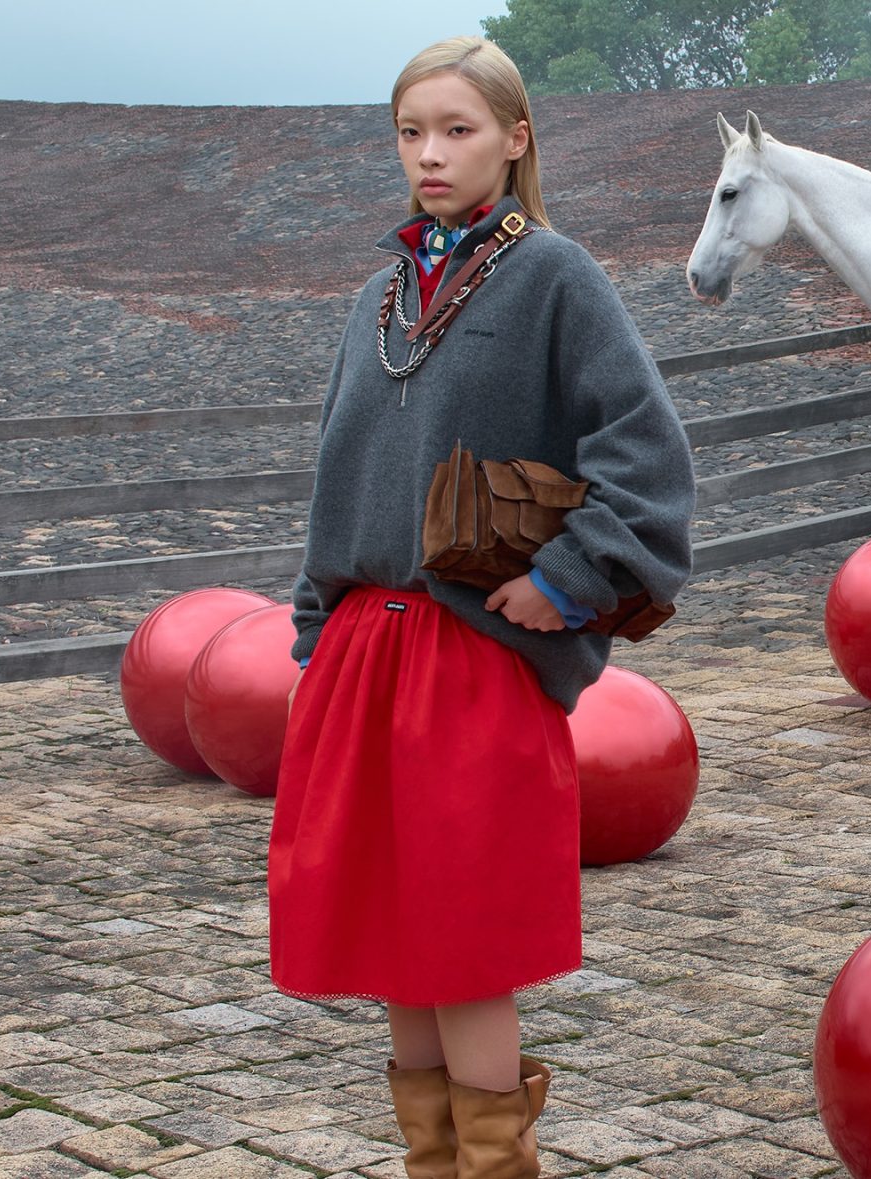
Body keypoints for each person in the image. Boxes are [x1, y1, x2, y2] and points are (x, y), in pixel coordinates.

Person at [270, 35, 695, 1179]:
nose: (430, 154)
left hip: (473, 661)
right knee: (391, 950)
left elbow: (647, 458)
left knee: (460, 951)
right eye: (412, 131)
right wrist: (317, 636)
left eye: (457, 130)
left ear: (515, 138)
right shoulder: (378, 297)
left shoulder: (556, 277)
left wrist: (569, 579)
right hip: (362, 655)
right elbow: (335, 472)